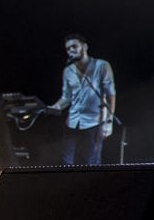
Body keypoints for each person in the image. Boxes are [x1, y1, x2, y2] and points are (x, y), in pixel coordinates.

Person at [48, 33, 116, 165]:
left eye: (74, 46)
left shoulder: (102, 66)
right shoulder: (68, 71)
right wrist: (56, 106)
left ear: (85, 47)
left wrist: (109, 122)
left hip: (94, 122)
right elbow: (66, 97)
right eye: (68, 49)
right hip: (73, 122)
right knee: (66, 161)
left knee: (91, 162)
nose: (71, 50)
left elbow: (110, 95)